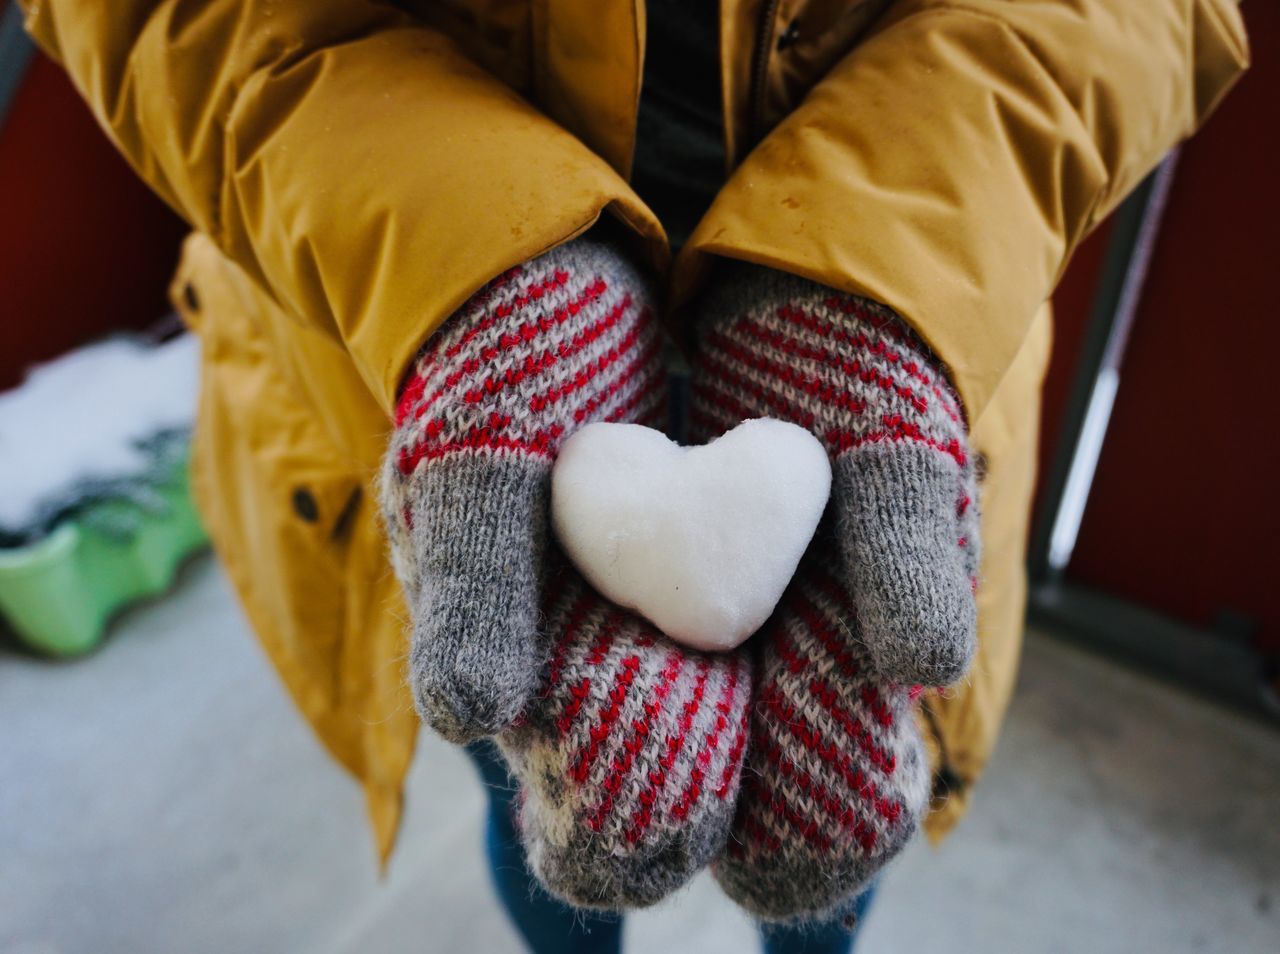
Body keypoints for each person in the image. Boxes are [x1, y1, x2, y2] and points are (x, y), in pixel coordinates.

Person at [19, 0, 1248, 949]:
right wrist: (474, 269)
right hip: (423, 352)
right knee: (550, 782)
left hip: (908, 324)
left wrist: (876, 277)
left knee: (838, 782)